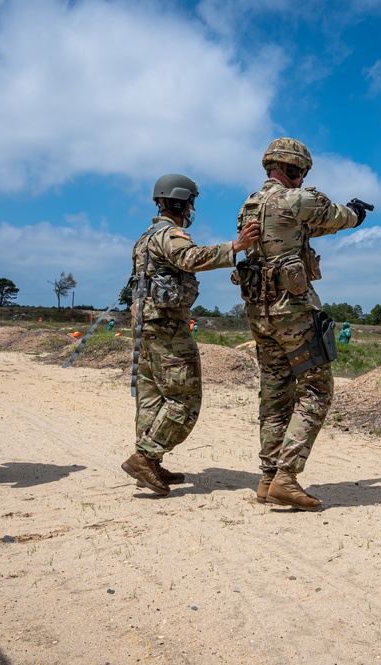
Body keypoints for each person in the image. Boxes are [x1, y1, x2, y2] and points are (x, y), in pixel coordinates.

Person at [235, 138, 368, 511]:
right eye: (302, 172)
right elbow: (335, 216)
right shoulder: (296, 199)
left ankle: (267, 479)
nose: (303, 178)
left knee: (275, 394)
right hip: (292, 310)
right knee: (317, 389)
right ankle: (287, 478)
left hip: (259, 313)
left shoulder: (249, 206)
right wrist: (356, 213)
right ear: (294, 168)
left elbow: (304, 231)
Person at [121, 173, 260, 496]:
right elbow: (189, 258)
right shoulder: (171, 235)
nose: (193, 208)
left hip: (147, 326)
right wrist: (235, 247)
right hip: (168, 327)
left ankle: (151, 462)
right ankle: (145, 457)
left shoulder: (144, 237)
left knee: (152, 396)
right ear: (181, 202)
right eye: (191, 202)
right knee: (184, 400)